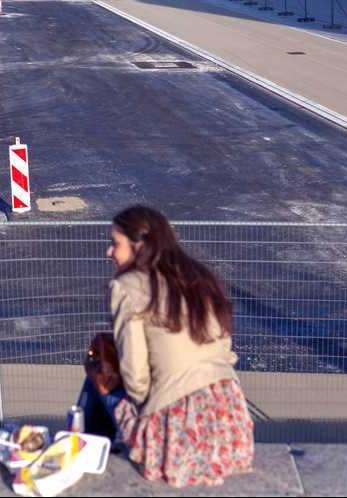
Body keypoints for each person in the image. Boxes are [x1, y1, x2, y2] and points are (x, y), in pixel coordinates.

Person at [79, 205, 253, 488]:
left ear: (140, 245)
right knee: (105, 367)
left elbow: (135, 378)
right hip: (229, 425)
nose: (109, 252)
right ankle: (88, 454)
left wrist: (140, 406)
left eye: (115, 244)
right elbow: (226, 353)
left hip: (177, 434)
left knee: (99, 366)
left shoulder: (128, 285)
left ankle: (79, 459)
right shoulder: (200, 277)